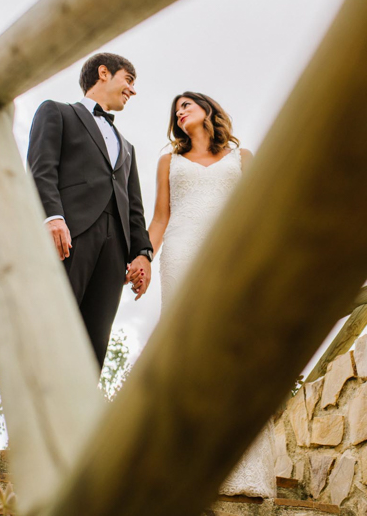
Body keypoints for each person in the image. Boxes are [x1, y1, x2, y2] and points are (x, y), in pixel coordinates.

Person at [143, 92, 275, 499]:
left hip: (231, 257)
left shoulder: (243, 157)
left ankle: (237, 467)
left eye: (186, 105)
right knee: (185, 348)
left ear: (207, 109)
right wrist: (144, 257)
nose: (180, 112)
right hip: (180, 253)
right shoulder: (169, 161)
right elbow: (161, 218)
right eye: (176, 109)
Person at [27, 52, 154, 371]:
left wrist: (142, 253)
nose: (133, 90)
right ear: (103, 73)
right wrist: (52, 216)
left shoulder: (128, 147)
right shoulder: (56, 112)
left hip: (114, 254)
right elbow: (42, 169)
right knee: (54, 327)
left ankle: (80, 419)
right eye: (129, 80)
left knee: (94, 345)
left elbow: (134, 206)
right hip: (69, 236)